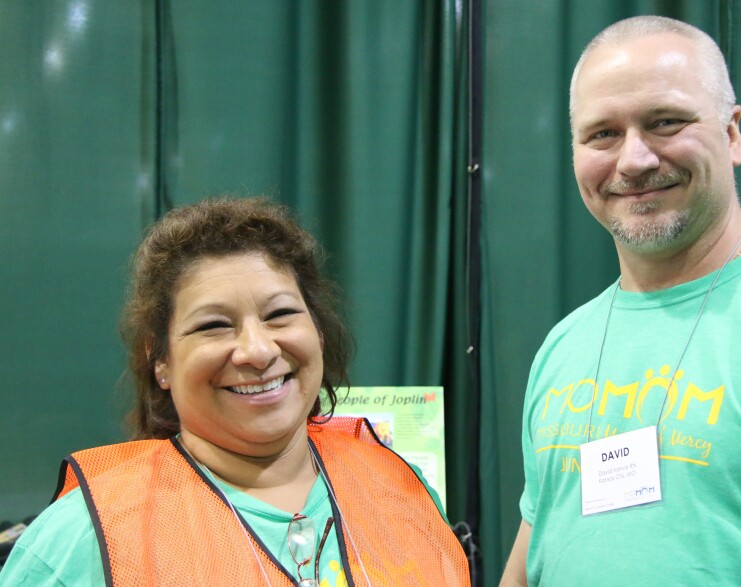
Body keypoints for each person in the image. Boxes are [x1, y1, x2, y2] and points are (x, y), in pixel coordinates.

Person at [501, 15, 741, 586]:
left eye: (665, 122)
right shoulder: (563, 346)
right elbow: (537, 558)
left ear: (731, 134)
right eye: (602, 134)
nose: (634, 160)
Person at [0, 197, 470, 586]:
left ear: (319, 333)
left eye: (280, 314)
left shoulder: (399, 489)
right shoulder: (87, 536)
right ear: (159, 360)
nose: (258, 350)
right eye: (214, 325)